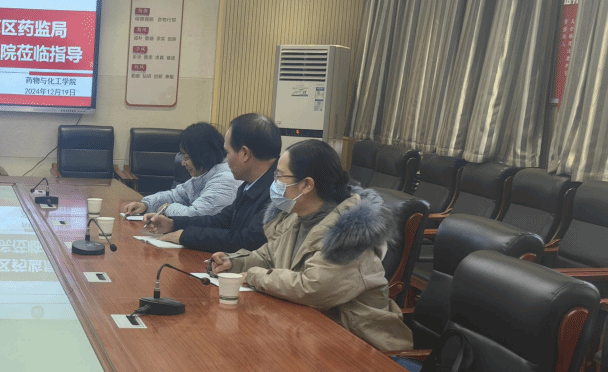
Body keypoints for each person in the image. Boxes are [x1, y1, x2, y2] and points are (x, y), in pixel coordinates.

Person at [211, 139, 414, 352]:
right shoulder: (298, 217)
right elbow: (269, 255)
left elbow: (313, 288)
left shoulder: (350, 233)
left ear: (307, 185)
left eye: (280, 176)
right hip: (312, 334)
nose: (275, 183)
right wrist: (233, 263)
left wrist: (253, 275)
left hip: (361, 346)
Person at [145, 113, 281, 253]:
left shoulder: (279, 192)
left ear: (245, 154)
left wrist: (185, 236)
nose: (226, 160)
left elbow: (245, 241)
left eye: (227, 152)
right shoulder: (250, 185)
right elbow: (221, 221)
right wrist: (173, 224)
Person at [121, 123, 240, 220]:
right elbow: (176, 195)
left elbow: (195, 216)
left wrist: (167, 208)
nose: (183, 163)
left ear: (203, 156)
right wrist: (145, 205)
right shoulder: (205, 174)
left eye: (186, 158)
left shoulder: (225, 180)